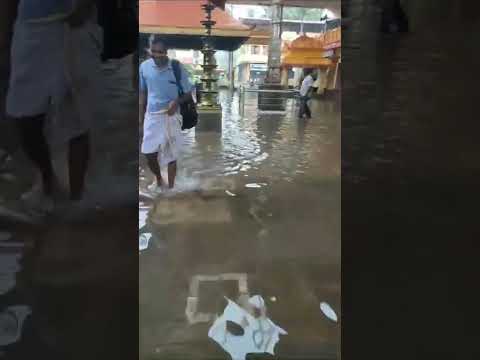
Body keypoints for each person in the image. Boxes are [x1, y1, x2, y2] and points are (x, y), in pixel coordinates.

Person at [4, 0, 102, 213]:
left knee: (77, 117)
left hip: (74, 27)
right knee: (23, 116)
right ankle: (49, 181)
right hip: (29, 27)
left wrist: (84, 9)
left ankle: (77, 197)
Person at [139, 37, 193, 193]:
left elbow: (189, 94)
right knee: (148, 152)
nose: (156, 55)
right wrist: (140, 119)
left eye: (160, 52)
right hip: (152, 115)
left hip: (172, 116)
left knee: (171, 154)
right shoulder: (144, 67)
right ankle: (158, 179)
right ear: (150, 50)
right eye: (153, 51)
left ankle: (170, 189)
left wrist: (176, 101)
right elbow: (142, 93)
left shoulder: (176, 68)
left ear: (166, 52)